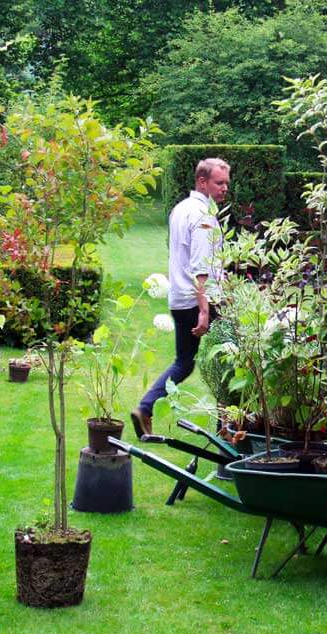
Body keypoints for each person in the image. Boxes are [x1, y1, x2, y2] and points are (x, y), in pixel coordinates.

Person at [131, 158, 230, 437]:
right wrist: (204, 310)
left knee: (185, 361)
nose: (224, 189)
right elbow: (200, 266)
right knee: (231, 359)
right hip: (200, 300)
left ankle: (145, 407)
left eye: (226, 184)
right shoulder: (203, 216)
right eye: (218, 183)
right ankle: (229, 426)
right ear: (202, 182)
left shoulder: (180, 209)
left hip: (179, 297)